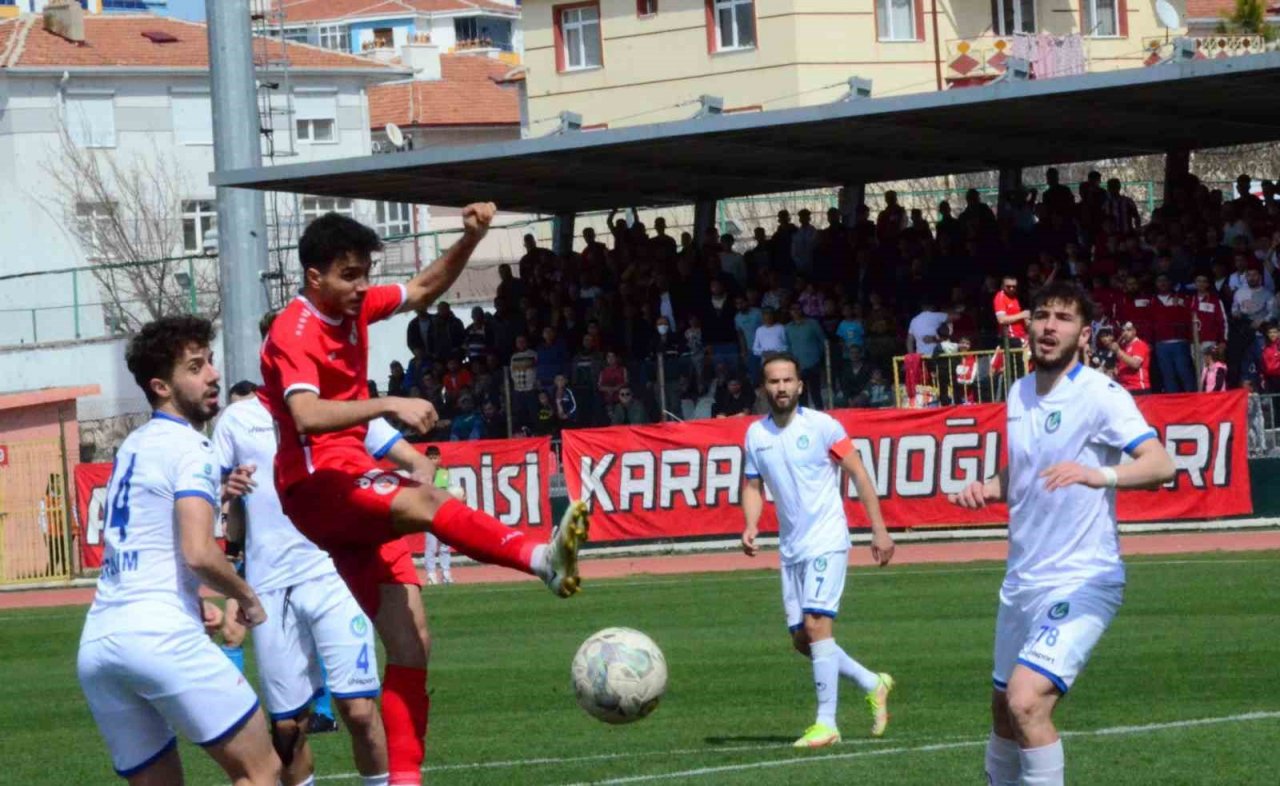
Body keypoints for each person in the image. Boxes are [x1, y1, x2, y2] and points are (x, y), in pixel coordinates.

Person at [258, 207, 590, 786]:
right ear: (316, 278)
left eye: (365, 273)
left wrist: (473, 236)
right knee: (425, 501)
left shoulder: (355, 308)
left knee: (412, 643)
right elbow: (307, 416)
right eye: (349, 275)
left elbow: (424, 287)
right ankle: (542, 558)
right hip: (317, 487)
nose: (363, 286)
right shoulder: (296, 329)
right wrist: (388, 403)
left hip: (350, 484)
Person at [949, 281, 1174, 786]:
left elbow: (1162, 463)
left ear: (1084, 333)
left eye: (1064, 318)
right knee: (1004, 713)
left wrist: (1101, 474)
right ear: (1028, 326)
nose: (1050, 326)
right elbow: (1027, 472)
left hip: (1082, 578)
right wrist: (989, 487)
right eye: (1043, 315)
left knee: (1027, 702)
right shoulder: (1018, 390)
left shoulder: (1100, 394)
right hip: (1022, 581)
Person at [77, 316, 281, 785]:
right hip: (160, 638)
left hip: (100, 645)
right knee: (262, 769)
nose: (213, 374)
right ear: (161, 386)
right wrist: (248, 599)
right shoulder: (194, 448)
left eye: (209, 361)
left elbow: (146, 540)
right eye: (195, 366)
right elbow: (199, 553)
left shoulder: (133, 445)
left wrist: (190, 601)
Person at [214, 362, 401, 786]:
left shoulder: (332, 406)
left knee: (358, 709)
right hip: (270, 587)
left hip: (333, 573)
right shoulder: (237, 420)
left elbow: (399, 452)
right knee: (288, 728)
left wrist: (416, 471)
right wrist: (229, 497)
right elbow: (218, 498)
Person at [740, 352, 896, 749]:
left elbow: (858, 472)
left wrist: (879, 530)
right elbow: (753, 485)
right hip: (791, 548)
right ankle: (871, 681)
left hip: (827, 538)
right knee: (802, 640)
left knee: (817, 625)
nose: (781, 388)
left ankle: (826, 723)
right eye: (773, 382)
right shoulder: (756, 435)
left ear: (800, 385)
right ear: (764, 388)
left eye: (787, 381)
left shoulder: (823, 427)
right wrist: (752, 524)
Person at [421, 446, 456, 586]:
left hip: (444, 514)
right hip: (430, 515)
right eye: (430, 458)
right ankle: (431, 574)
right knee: (431, 546)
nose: (433, 460)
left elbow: (451, 491)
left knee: (445, 546)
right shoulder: (423, 476)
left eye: (435, 457)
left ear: (440, 459)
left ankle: (446, 573)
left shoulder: (445, 474)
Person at [1105, 321, 1151, 395]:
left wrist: (1118, 351)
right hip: (1124, 388)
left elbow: (1135, 364)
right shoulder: (1123, 347)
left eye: (1128, 330)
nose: (1125, 333)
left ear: (1134, 331)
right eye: (1123, 330)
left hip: (1138, 388)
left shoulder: (1139, 344)